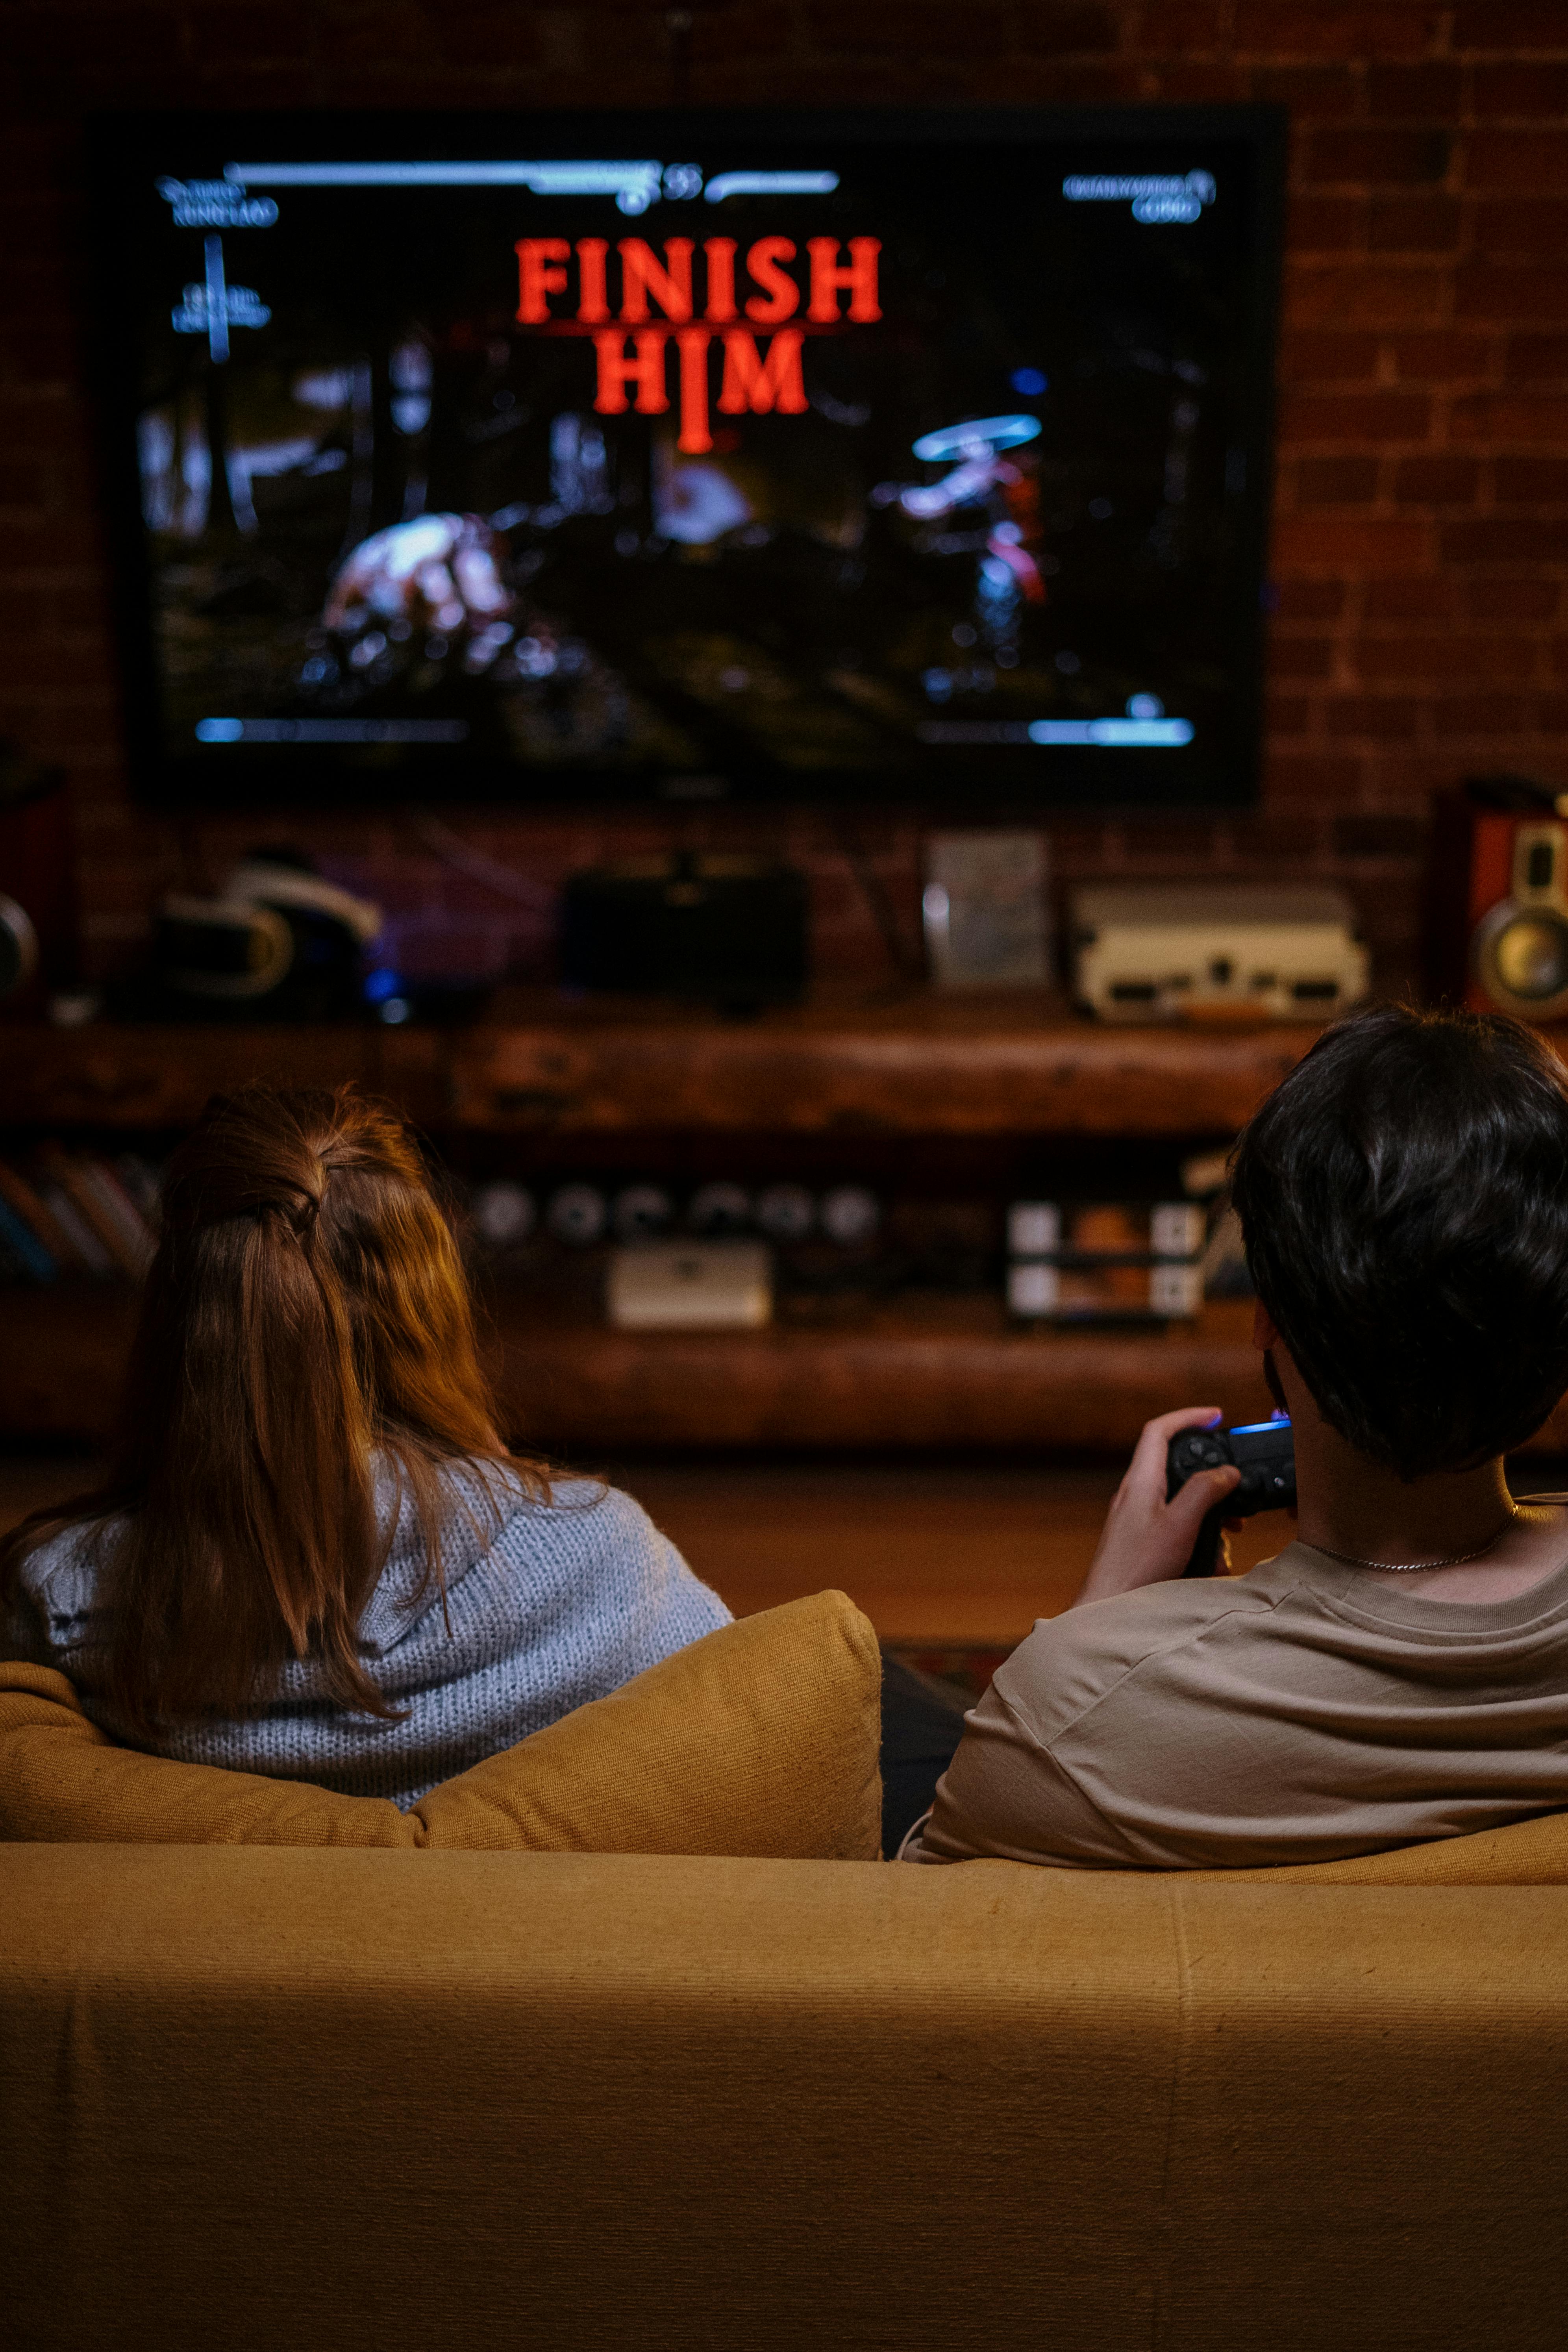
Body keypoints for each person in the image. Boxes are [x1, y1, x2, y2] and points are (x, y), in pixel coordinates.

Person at [908, 1002, 1568, 1869]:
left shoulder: (1066, 1719)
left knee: (873, 1708)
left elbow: (927, 1899)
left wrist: (1099, 1622)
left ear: (1266, 1315)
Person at [0, 1086, 731, 1807]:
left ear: (176, 1331)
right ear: (431, 1311)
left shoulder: (57, 1601)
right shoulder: (605, 1557)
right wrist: (503, 1493)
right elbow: (748, 1735)